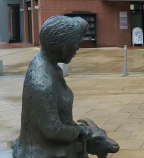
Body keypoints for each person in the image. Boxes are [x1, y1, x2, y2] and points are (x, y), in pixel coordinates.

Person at [12, 16, 90, 158]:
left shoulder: (50, 65)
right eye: (76, 43)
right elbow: (52, 129)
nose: (78, 48)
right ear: (63, 47)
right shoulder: (42, 82)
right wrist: (77, 131)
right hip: (45, 153)